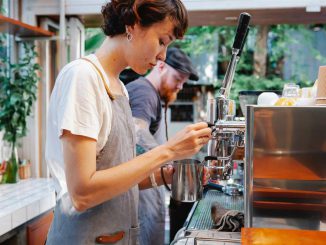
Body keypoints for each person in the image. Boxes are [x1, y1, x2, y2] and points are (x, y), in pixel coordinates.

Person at [45, 0, 211, 244]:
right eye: (162, 41)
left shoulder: (119, 87)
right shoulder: (82, 77)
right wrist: (169, 150)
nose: (163, 55)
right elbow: (82, 193)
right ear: (132, 24)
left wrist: (164, 177)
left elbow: (113, 177)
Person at [126, 47, 199, 245]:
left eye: (184, 81)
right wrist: (172, 160)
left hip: (145, 194)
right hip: (139, 198)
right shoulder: (144, 92)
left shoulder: (150, 93)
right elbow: (136, 134)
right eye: (178, 78)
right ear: (160, 66)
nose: (180, 86)